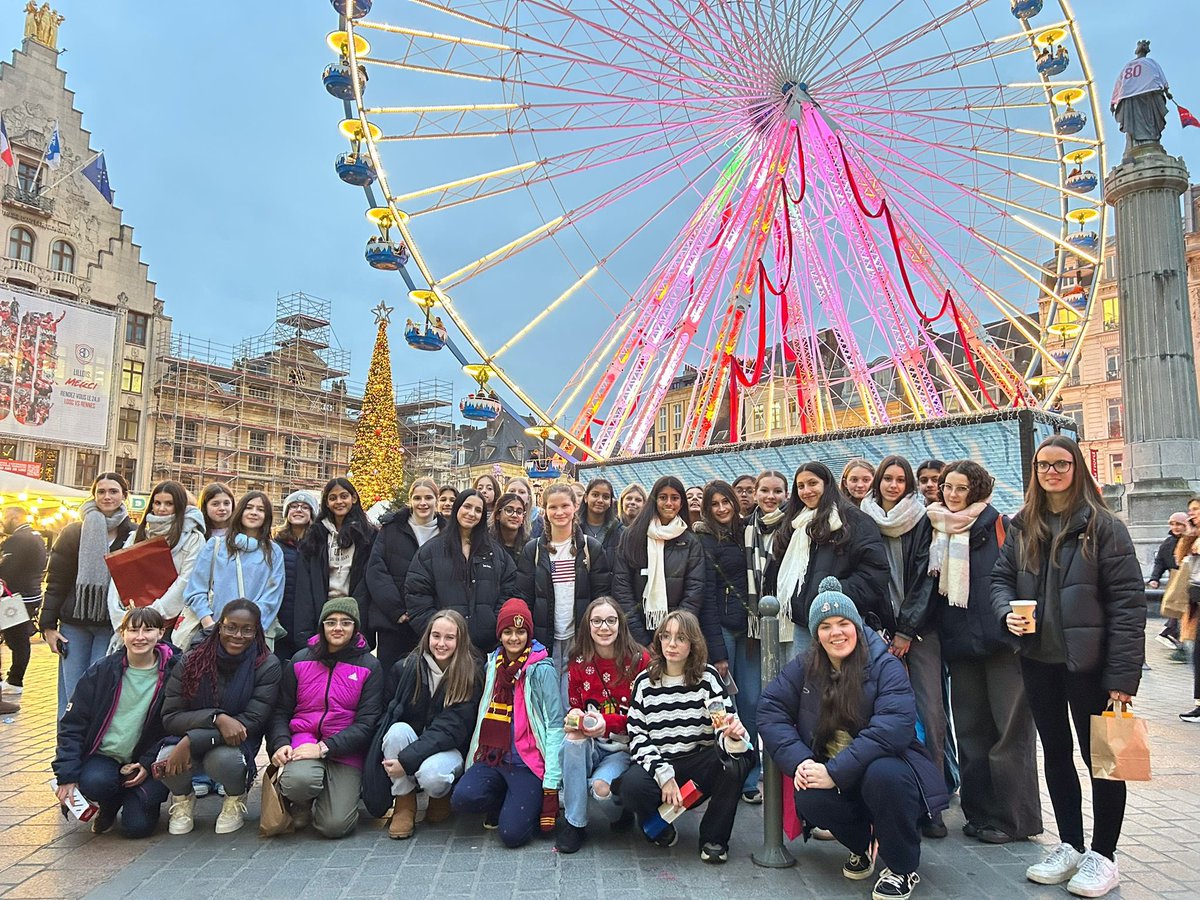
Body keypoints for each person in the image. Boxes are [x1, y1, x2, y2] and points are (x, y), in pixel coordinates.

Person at [992, 435, 1145, 898]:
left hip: (1091, 668)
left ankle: (1105, 854)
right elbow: (1000, 578)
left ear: (1077, 468)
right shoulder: (1023, 525)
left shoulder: (1105, 527)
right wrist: (1006, 613)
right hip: (1040, 661)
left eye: (1061, 464)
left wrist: (1122, 679)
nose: (1052, 472)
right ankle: (1071, 844)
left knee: (1105, 760)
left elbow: (1128, 605)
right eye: (1043, 465)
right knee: (1056, 756)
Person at [758, 577, 949, 900]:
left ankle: (901, 867)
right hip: (837, 774)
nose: (836, 633)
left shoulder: (885, 666)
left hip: (888, 773)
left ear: (857, 626)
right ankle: (862, 845)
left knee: (882, 774)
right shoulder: (805, 667)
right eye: (826, 626)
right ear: (816, 634)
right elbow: (769, 709)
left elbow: (894, 727)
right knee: (808, 793)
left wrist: (834, 772)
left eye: (844, 623)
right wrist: (802, 761)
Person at [930, 460, 1041, 845]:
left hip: (1001, 644)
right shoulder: (939, 528)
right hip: (960, 646)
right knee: (972, 733)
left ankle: (1013, 819)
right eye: (948, 487)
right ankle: (978, 814)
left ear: (976, 490)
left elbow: (1022, 578)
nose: (952, 494)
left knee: (1009, 733)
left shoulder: (1002, 527)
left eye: (961, 488)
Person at [616, 609, 755, 864]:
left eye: (680, 638)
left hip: (698, 762)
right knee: (630, 787)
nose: (672, 644)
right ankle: (657, 822)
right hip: (660, 764)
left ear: (693, 643)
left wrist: (732, 734)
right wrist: (664, 775)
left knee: (740, 758)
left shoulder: (708, 677)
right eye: (666, 636)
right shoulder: (644, 682)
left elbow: (722, 724)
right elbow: (637, 736)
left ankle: (714, 839)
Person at [858, 456, 945, 838]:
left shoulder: (924, 519)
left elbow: (929, 577)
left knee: (929, 715)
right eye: (887, 479)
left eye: (900, 480)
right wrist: (880, 628)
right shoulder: (864, 520)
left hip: (920, 631)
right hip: (879, 630)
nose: (893, 485)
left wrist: (907, 631)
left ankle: (932, 800)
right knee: (881, 714)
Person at [157, 599, 283, 835]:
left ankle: (234, 799)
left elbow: (251, 723)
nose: (238, 635)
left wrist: (192, 739)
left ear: (257, 632)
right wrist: (217, 718)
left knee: (223, 760)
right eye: (231, 627)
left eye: (248, 629)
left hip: (237, 743)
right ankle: (183, 799)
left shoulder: (266, 665)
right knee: (166, 756)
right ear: (219, 627)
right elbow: (171, 716)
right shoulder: (191, 660)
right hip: (190, 735)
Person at [52, 607, 179, 837]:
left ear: (161, 633)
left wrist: (147, 761)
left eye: (148, 630)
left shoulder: (175, 671)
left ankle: (138, 801)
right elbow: (72, 726)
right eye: (133, 630)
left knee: (136, 828)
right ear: (122, 634)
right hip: (106, 757)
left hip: (146, 760)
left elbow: (176, 725)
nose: (140, 637)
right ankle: (109, 802)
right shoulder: (102, 671)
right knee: (96, 782)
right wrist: (67, 777)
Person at [452, 598, 563, 848]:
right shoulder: (493, 663)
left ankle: (523, 803)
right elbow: (483, 711)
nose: (514, 638)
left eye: (521, 632)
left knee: (513, 836)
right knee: (462, 798)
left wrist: (551, 784)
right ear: (500, 634)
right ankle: (503, 799)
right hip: (495, 757)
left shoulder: (541, 669)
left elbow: (555, 724)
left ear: (529, 633)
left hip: (527, 762)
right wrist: (473, 759)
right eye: (508, 632)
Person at [268, 598, 384, 838]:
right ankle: (301, 801)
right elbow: (281, 710)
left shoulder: (370, 666)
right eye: (331, 622)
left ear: (355, 627)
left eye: (345, 622)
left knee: (334, 827)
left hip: (346, 747)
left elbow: (367, 724)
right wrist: (280, 743)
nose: (338, 628)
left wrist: (324, 748)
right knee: (299, 782)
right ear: (322, 626)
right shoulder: (301, 660)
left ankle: (330, 798)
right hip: (303, 739)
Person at [363, 610, 482, 839]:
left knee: (432, 776)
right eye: (436, 636)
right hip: (412, 741)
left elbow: (450, 729)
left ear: (460, 640)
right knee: (396, 731)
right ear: (427, 636)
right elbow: (389, 715)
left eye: (449, 637)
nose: (441, 643)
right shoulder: (406, 667)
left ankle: (439, 796)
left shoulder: (471, 673)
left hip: (450, 748)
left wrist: (406, 762)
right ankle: (404, 802)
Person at [765, 462, 888, 659]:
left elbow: (875, 573)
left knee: (845, 684)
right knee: (808, 684)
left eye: (813, 483)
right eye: (801, 486)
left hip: (842, 623)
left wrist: (834, 594)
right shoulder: (795, 523)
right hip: (803, 625)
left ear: (827, 484)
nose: (806, 491)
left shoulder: (853, 520)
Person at [555, 597, 649, 853]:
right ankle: (575, 824)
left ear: (620, 624)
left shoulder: (640, 660)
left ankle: (620, 814)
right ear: (588, 625)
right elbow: (575, 705)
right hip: (590, 743)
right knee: (573, 741)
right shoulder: (578, 661)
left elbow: (645, 717)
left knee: (601, 790)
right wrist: (574, 718)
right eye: (597, 621)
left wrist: (606, 723)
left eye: (610, 620)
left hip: (621, 748)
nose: (604, 627)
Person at [41, 472, 135, 718]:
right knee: (73, 693)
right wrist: (48, 626)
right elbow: (57, 580)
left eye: (113, 491)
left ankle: (90, 751)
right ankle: (67, 752)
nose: (106, 496)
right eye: (101, 491)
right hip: (74, 624)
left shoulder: (133, 534)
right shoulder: (75, 531)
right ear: (93, 494)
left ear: (124, 495)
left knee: (100, 691)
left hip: (110, 625)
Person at [694, 480, 761, 803]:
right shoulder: (704, 538)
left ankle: (751, 771)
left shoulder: (748, 532)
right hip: (721, 628)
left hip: (749, 627)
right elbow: (706, 594)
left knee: (752, 701)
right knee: (726, 706)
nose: (722, 508)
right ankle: (732, 772)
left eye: (726, 502)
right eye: (715, 504)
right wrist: (717, 652)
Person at [406, 489, 517, 653]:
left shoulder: (495, 553)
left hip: (486, 647)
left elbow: (510, 589)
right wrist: (439, 633)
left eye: (478, 510)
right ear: (458, 508)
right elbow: (417, 596)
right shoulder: (431, 551)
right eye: (467, 507)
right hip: (444, 650)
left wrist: (493, 622)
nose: (472, 513)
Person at [516, 483, 612, 668]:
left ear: (575, 506)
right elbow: (524, 597)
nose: (559, 512)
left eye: (565, 506)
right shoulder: (532, 550)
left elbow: (602, 596)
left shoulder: (591, 548)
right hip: (544, 638)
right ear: (544, 511)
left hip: (581, 637)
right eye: (553, 507)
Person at [611, 476, 710, 649]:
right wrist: (641, 638)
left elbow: (694, 590)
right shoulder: (631, 537)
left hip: (678, 637)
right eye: (663, 497)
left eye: (675, 498)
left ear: (681, 503)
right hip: (637, 637)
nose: (669, 503)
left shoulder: (691, 542)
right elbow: (622, 590)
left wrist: (673, 633)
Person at [105, 481, 206, 644]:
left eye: (169, 504)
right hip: (132, 623)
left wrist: (151, 614)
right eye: (157, 503)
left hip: (170, 626)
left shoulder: (194, 538)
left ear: (179, 506)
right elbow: (119, 577)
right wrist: (121, 617)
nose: (161, 508)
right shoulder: (137, 535)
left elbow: (186, 581)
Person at [365, 477, 447, 672]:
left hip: (432, 622)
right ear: (410, 500)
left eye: (428, 497)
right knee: (391, 679)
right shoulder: (391, 529)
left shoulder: (448, 533)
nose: (423, 503)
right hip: (395, 623)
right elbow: (376, 570)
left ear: (436, 500)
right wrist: (397, 610)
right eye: (417, 498)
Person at [182, 491, 285, 646]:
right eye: (249, 507)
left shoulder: (274, 552)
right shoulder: (216, 545)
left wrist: (250, 629)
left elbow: (272, 597)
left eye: (261, 509)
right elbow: (196, 589)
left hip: (254, 635)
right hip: (214, 631)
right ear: (240, 511)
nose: (254, 513)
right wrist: (209, 623)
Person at [293, 478, 377, 645]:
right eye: (333, 498)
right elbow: (305, 585)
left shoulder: (369, 535)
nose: (339, 501)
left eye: (344, 496)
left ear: (353, 498)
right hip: (322, 610)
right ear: (326, 502)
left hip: (355, 612)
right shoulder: (315, 535)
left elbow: (369, 579)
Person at [0, 505, 48, 705]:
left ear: (15, 517)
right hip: (30, 594)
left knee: (16, 638)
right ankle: (14, 679)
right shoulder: (36, 536)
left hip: (15, 598)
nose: (3, 521)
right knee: (18, 638)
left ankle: (14, 680)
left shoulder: (17, 540)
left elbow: (5, 570)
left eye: (5, 516)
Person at [273, 490, 320, 661]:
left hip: (308, 622)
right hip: (280, 619)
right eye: (294, 506)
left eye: (305, 507)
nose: (299, 509)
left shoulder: (318, 545)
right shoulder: (276, 544)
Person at [1149, 512, 1188, 650]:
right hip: (1178, 578)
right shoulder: (1168, 543)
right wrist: (1155, 578)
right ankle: (1170, 632)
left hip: (1189, 577)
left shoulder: (1191, 539)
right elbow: (1160, 561)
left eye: (1179, 524)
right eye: (1172, 524)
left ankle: (1171, 632)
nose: (1175, 527)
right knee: (1180, 607)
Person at [579, 477, 623, 563]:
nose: (600, 500)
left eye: (606, 497)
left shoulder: (620, 531)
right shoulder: (574, 529)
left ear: (611, 502)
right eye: (595, 495)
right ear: (586, 497)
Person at [490, 492, 528, 566]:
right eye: (509, 510)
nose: (514, 515)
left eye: (519, 512)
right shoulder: (487, 543)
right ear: (498, 515)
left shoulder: (529, 547)